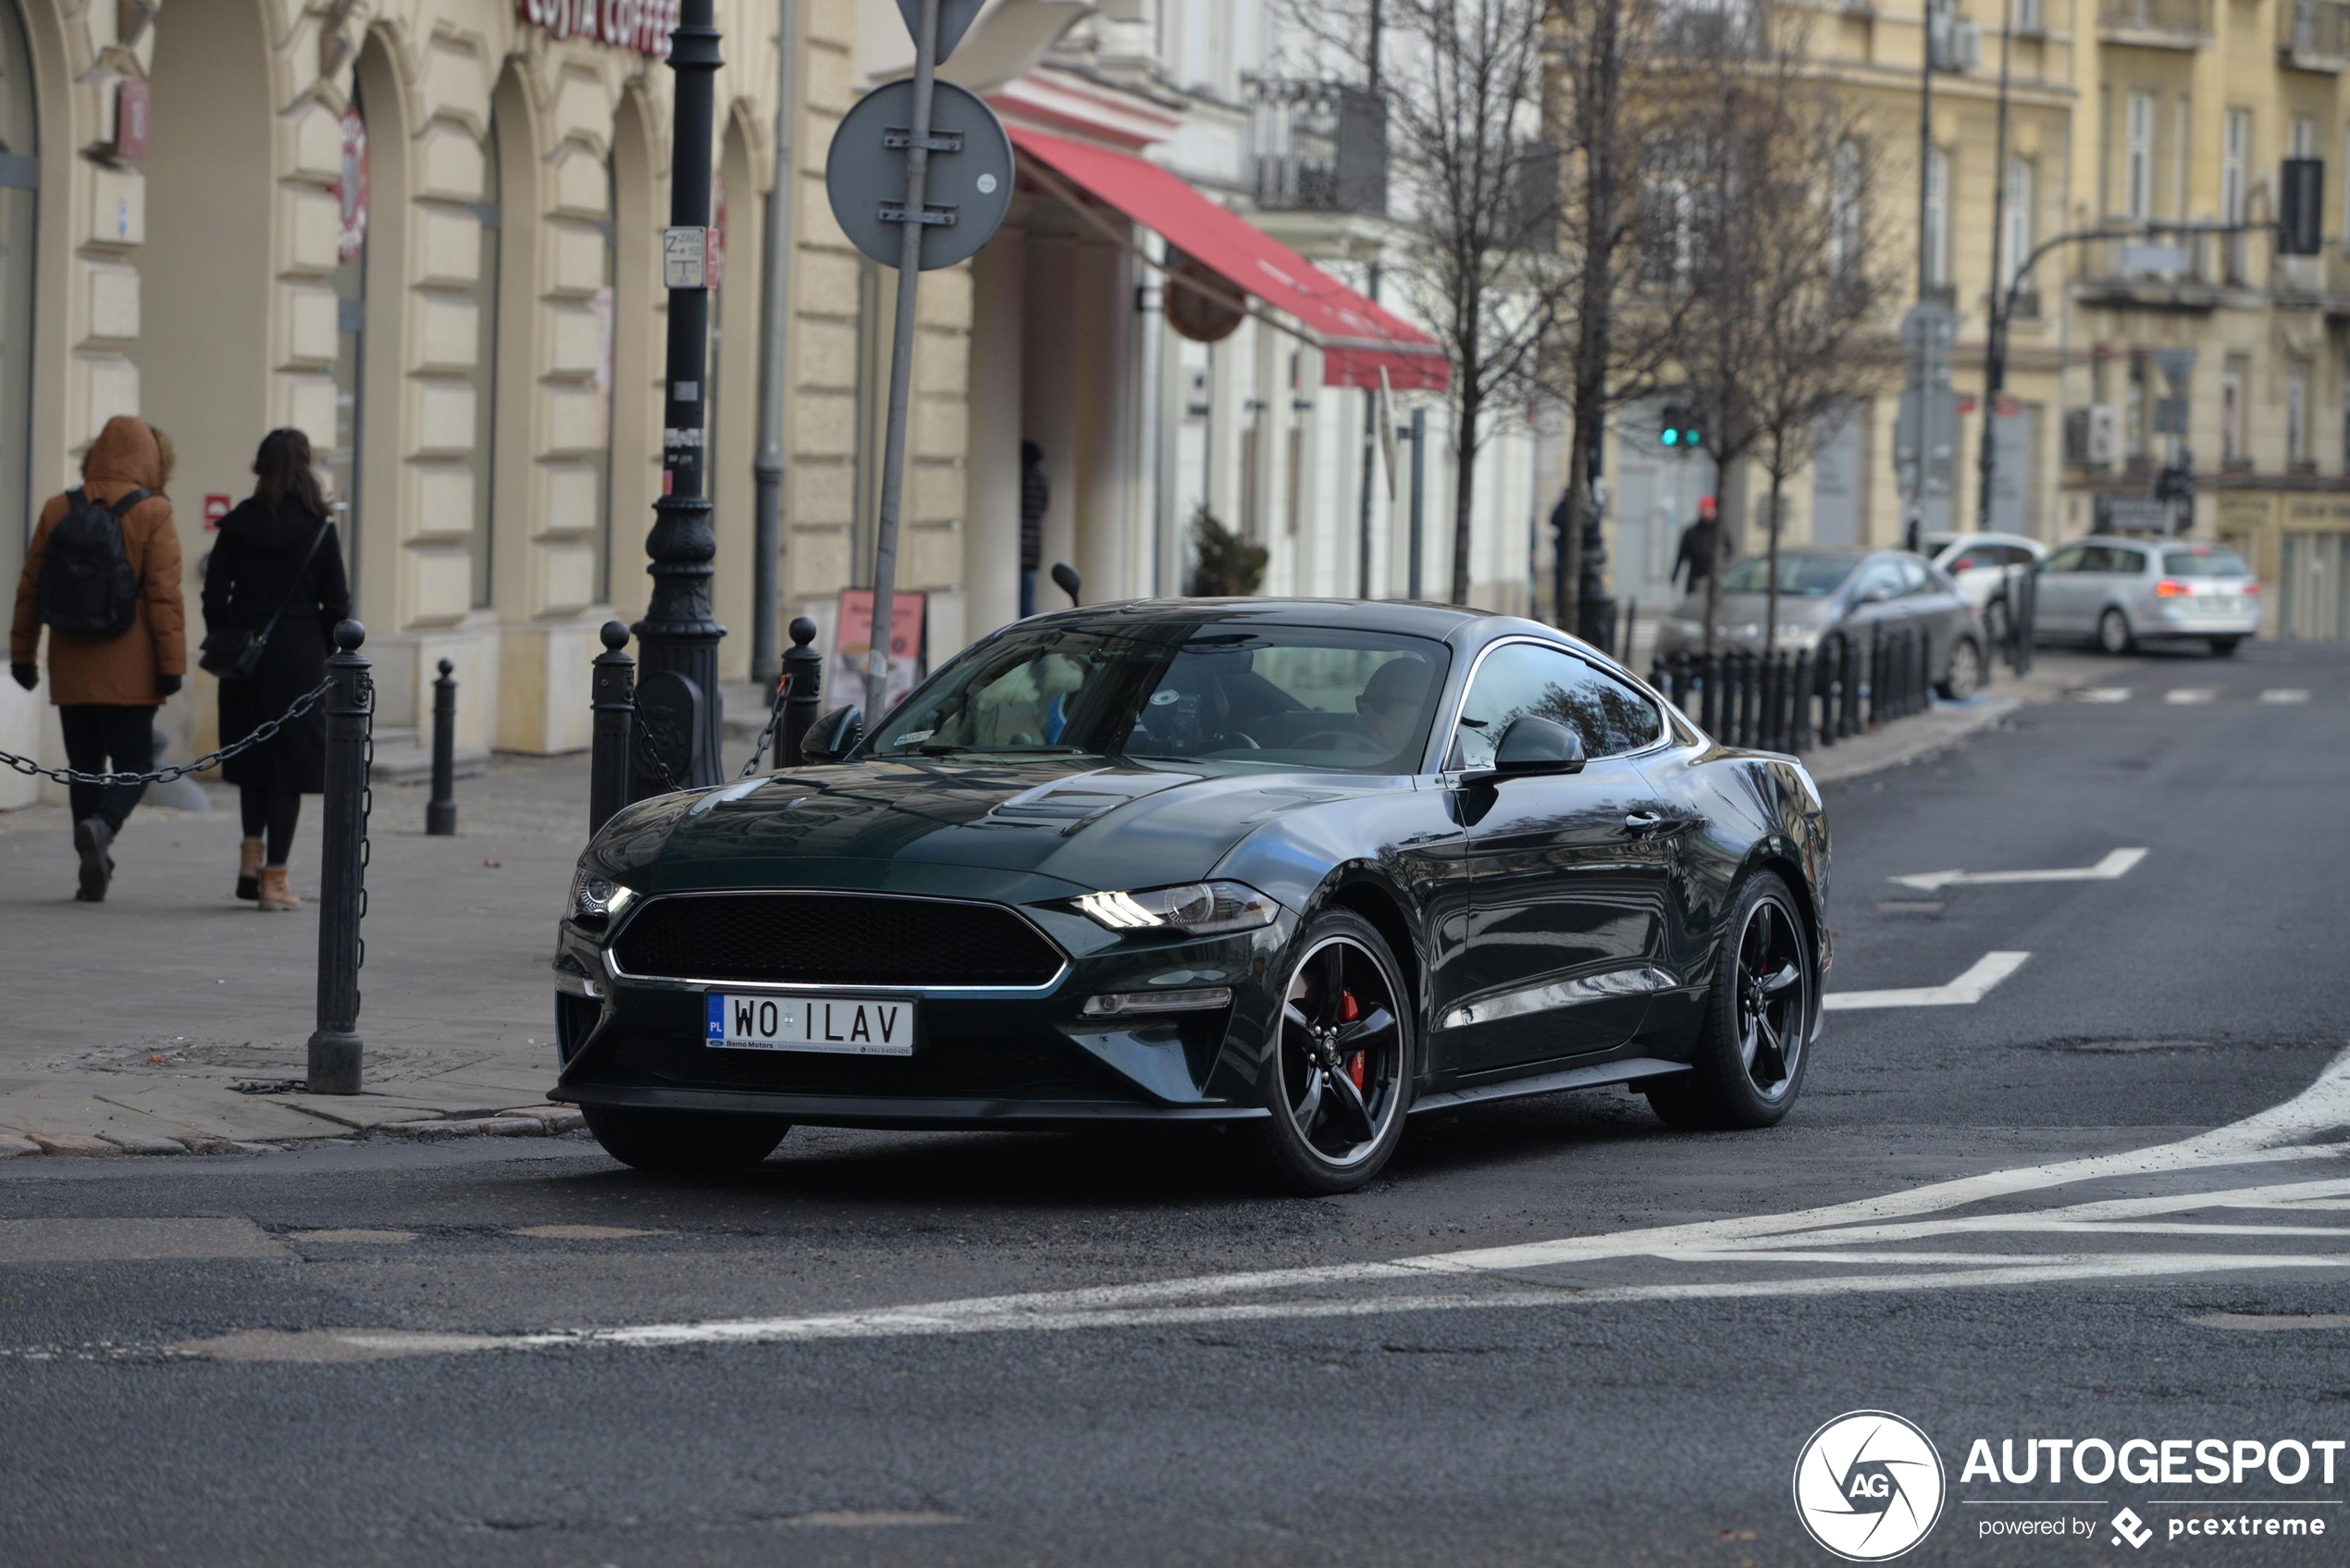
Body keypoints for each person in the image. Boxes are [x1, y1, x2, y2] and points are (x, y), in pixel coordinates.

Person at [8, 414, 186, 902]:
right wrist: (172, 665)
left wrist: (23, 654)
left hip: (70, 664)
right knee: (134, 762)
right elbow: (164, 597)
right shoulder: (154, 512)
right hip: (132, 668)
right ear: (151, 458)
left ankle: (94, 861)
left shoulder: (56, 507)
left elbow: (29, 588)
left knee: (83, 767)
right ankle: (104, 826)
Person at [202, 428, 351, 911]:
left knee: (252, 760)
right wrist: (330, 648)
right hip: (299, 658)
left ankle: (250, 856)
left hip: (245, 658)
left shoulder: (237, 523)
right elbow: (338, 603)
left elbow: (212, 592)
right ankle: (275, 881)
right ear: (305, 467)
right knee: (288, 770)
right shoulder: (318, 528)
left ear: (261, 467)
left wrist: (228, 632)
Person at [1355, 657, 1434, 756]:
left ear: (1423, 711)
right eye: (1364, 701)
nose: (1366, 713)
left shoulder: (1442, 763)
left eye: (1381, 703)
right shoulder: (1340, 752)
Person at [1018, 439, 1047, 619]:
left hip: (1020, 545)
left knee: (1023, 603)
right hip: (1034, 547)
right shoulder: (1043, 474)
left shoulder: (1022, 473)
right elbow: (1045, 505)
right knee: (1027, 599)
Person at [1671, 495, 1724, 594]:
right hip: (1695, 576)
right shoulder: (1691, 532)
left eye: (1711, 510)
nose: (1708, 513)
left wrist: (1719, 558)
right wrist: (1675, 576)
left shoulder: (1719, 531)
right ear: (1701, 511)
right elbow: (1681, 555)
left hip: (1714, 577)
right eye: (1706, 510)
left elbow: (1730, 549)